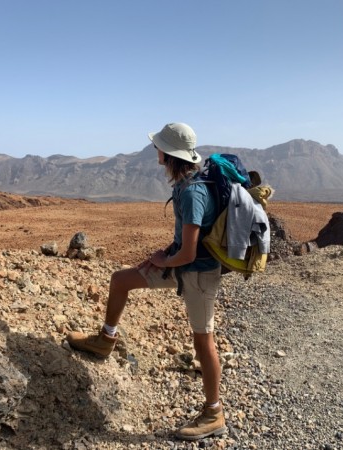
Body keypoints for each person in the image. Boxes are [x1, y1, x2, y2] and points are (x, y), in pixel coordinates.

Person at [66, 122, 226, 441]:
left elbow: (191, 251)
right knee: (120, 280)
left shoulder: (193, 191)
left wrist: (164, 261)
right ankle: (106, 340)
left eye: (159, 147)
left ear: (169, 154)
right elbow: (184, 241)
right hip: (181, 265)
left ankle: (214, 414)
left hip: (198, 274)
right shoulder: (185, 183)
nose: (156, 151)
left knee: (203, 341)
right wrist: (163, 253)